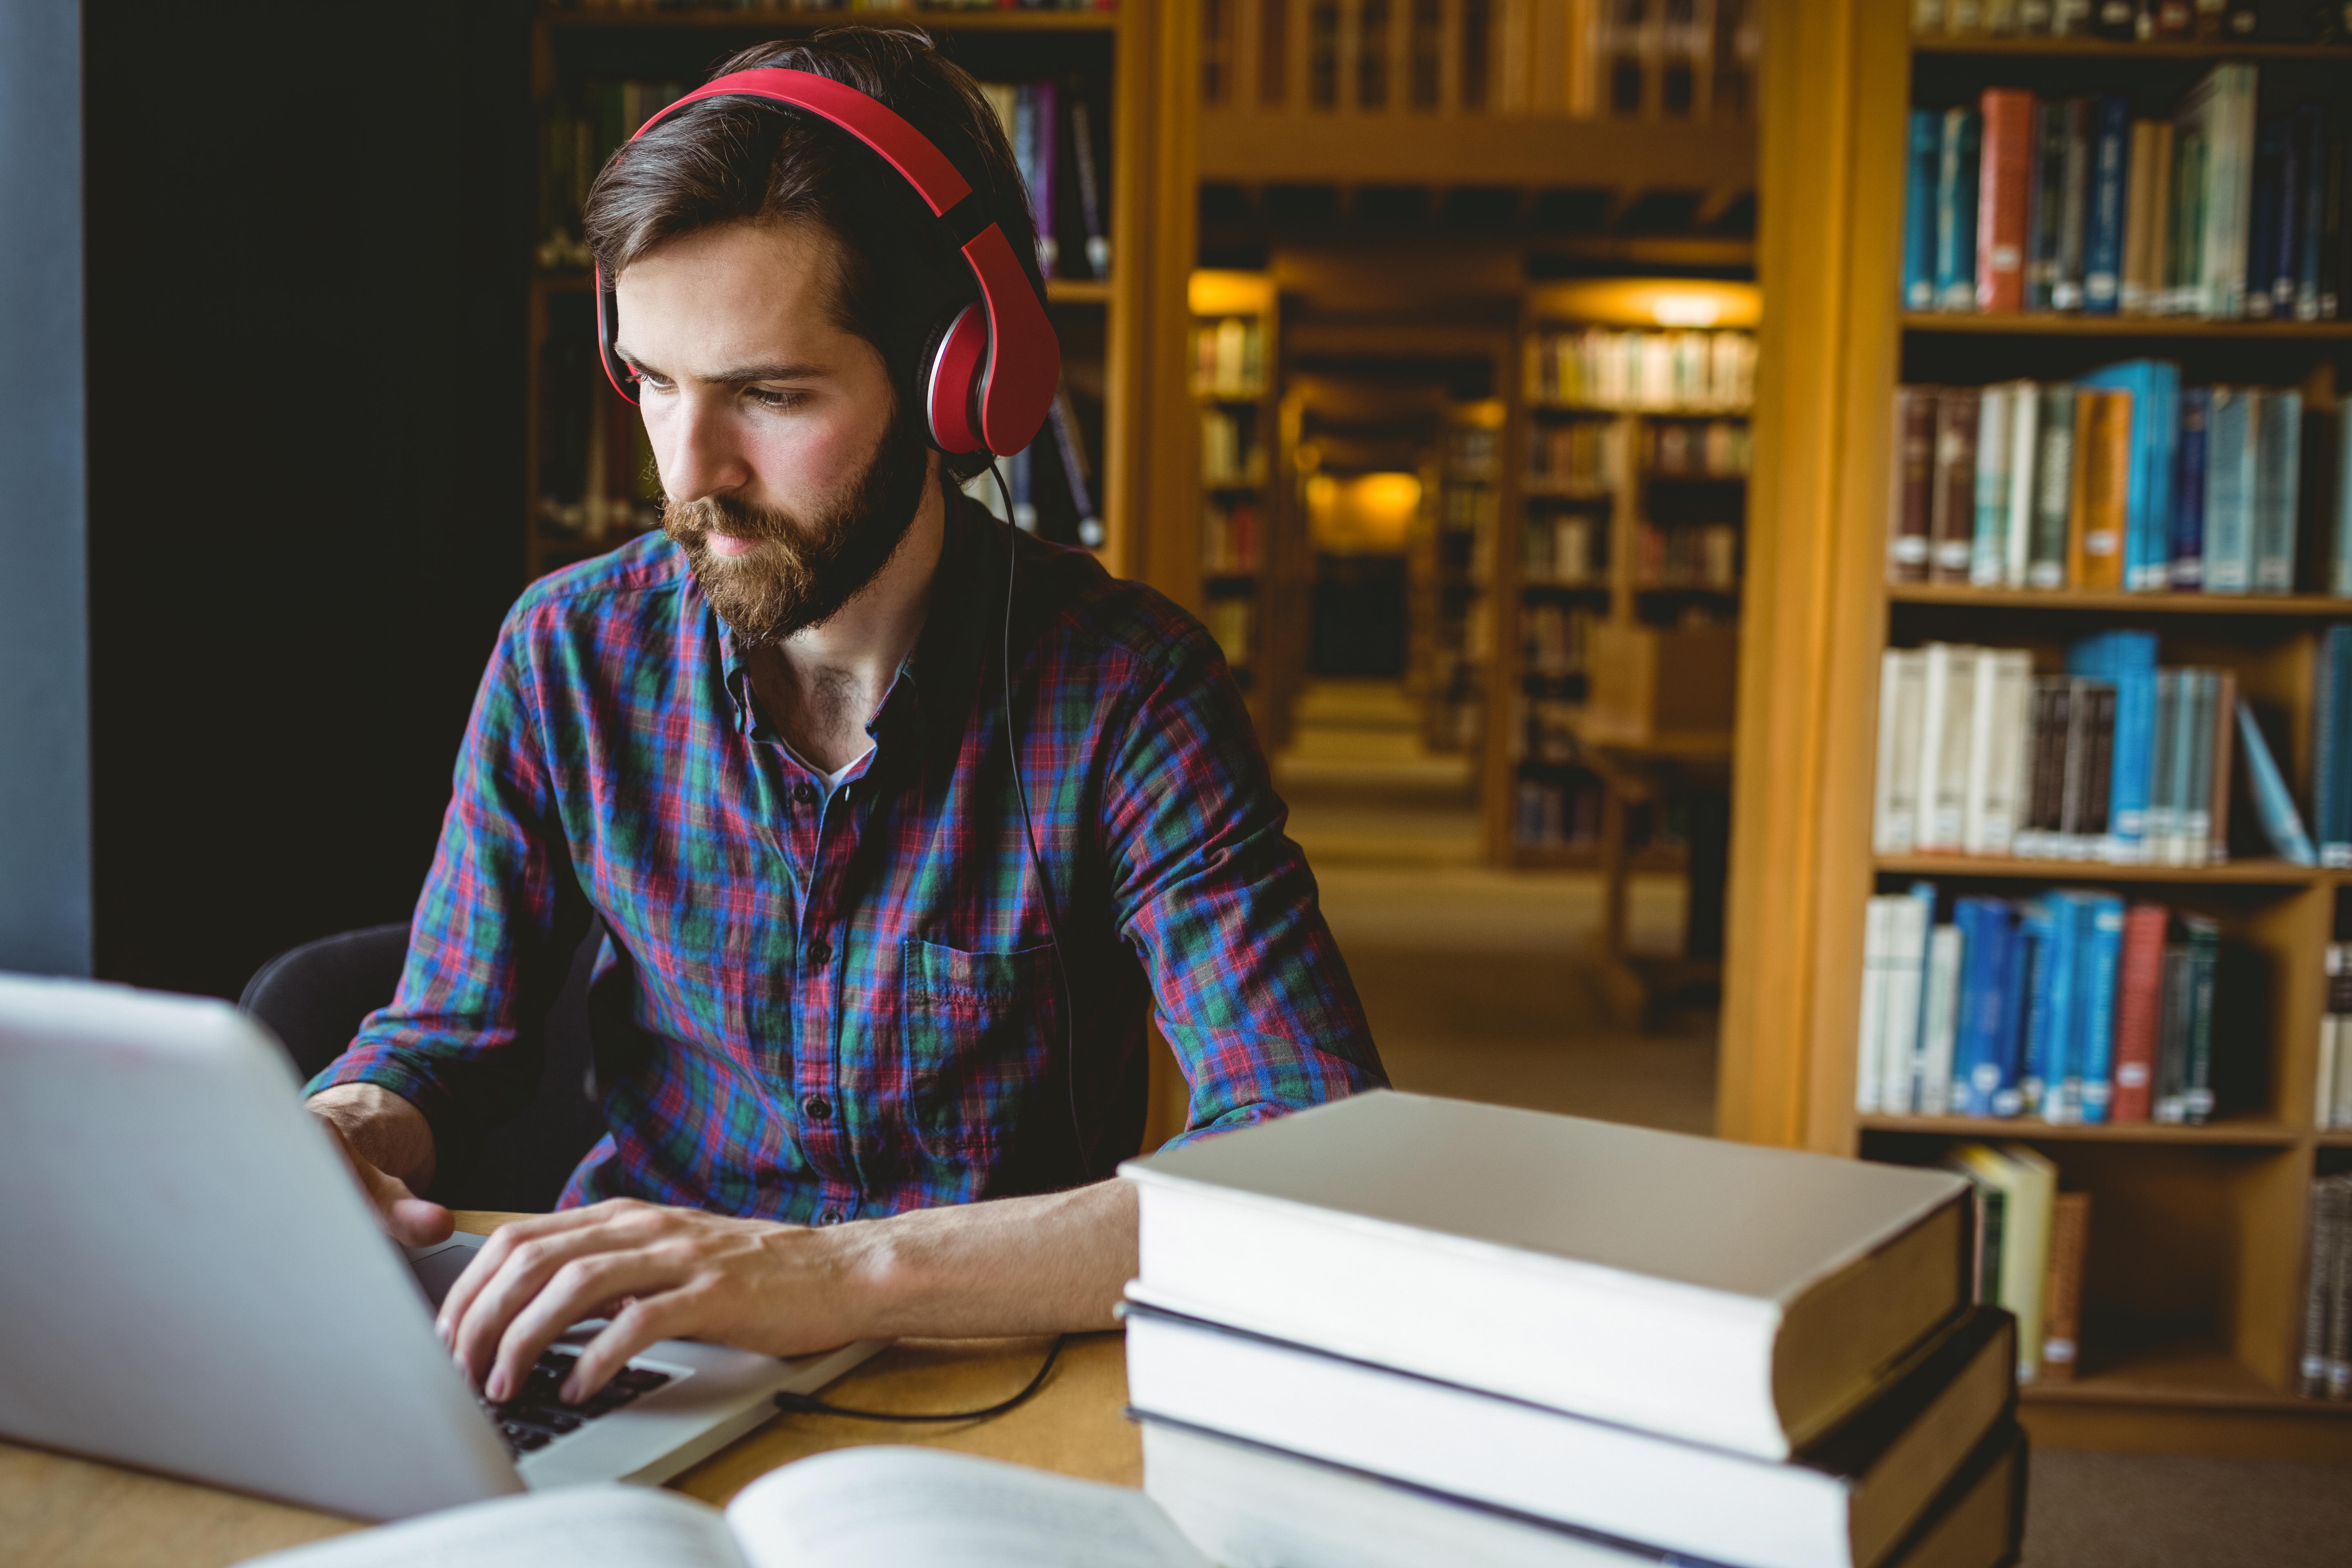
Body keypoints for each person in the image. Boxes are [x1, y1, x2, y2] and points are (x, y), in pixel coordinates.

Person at [302, 27, 1384, 1412]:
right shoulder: (567, 651)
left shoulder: (1131, 692)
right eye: (654, 384)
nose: (690, 474)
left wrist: (839, 1275)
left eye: (769, 394)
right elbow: (447, 1037)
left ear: (959, 384)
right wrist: (346, 1123)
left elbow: (1317, 1157)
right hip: (632, 1361)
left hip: (985, 1371)